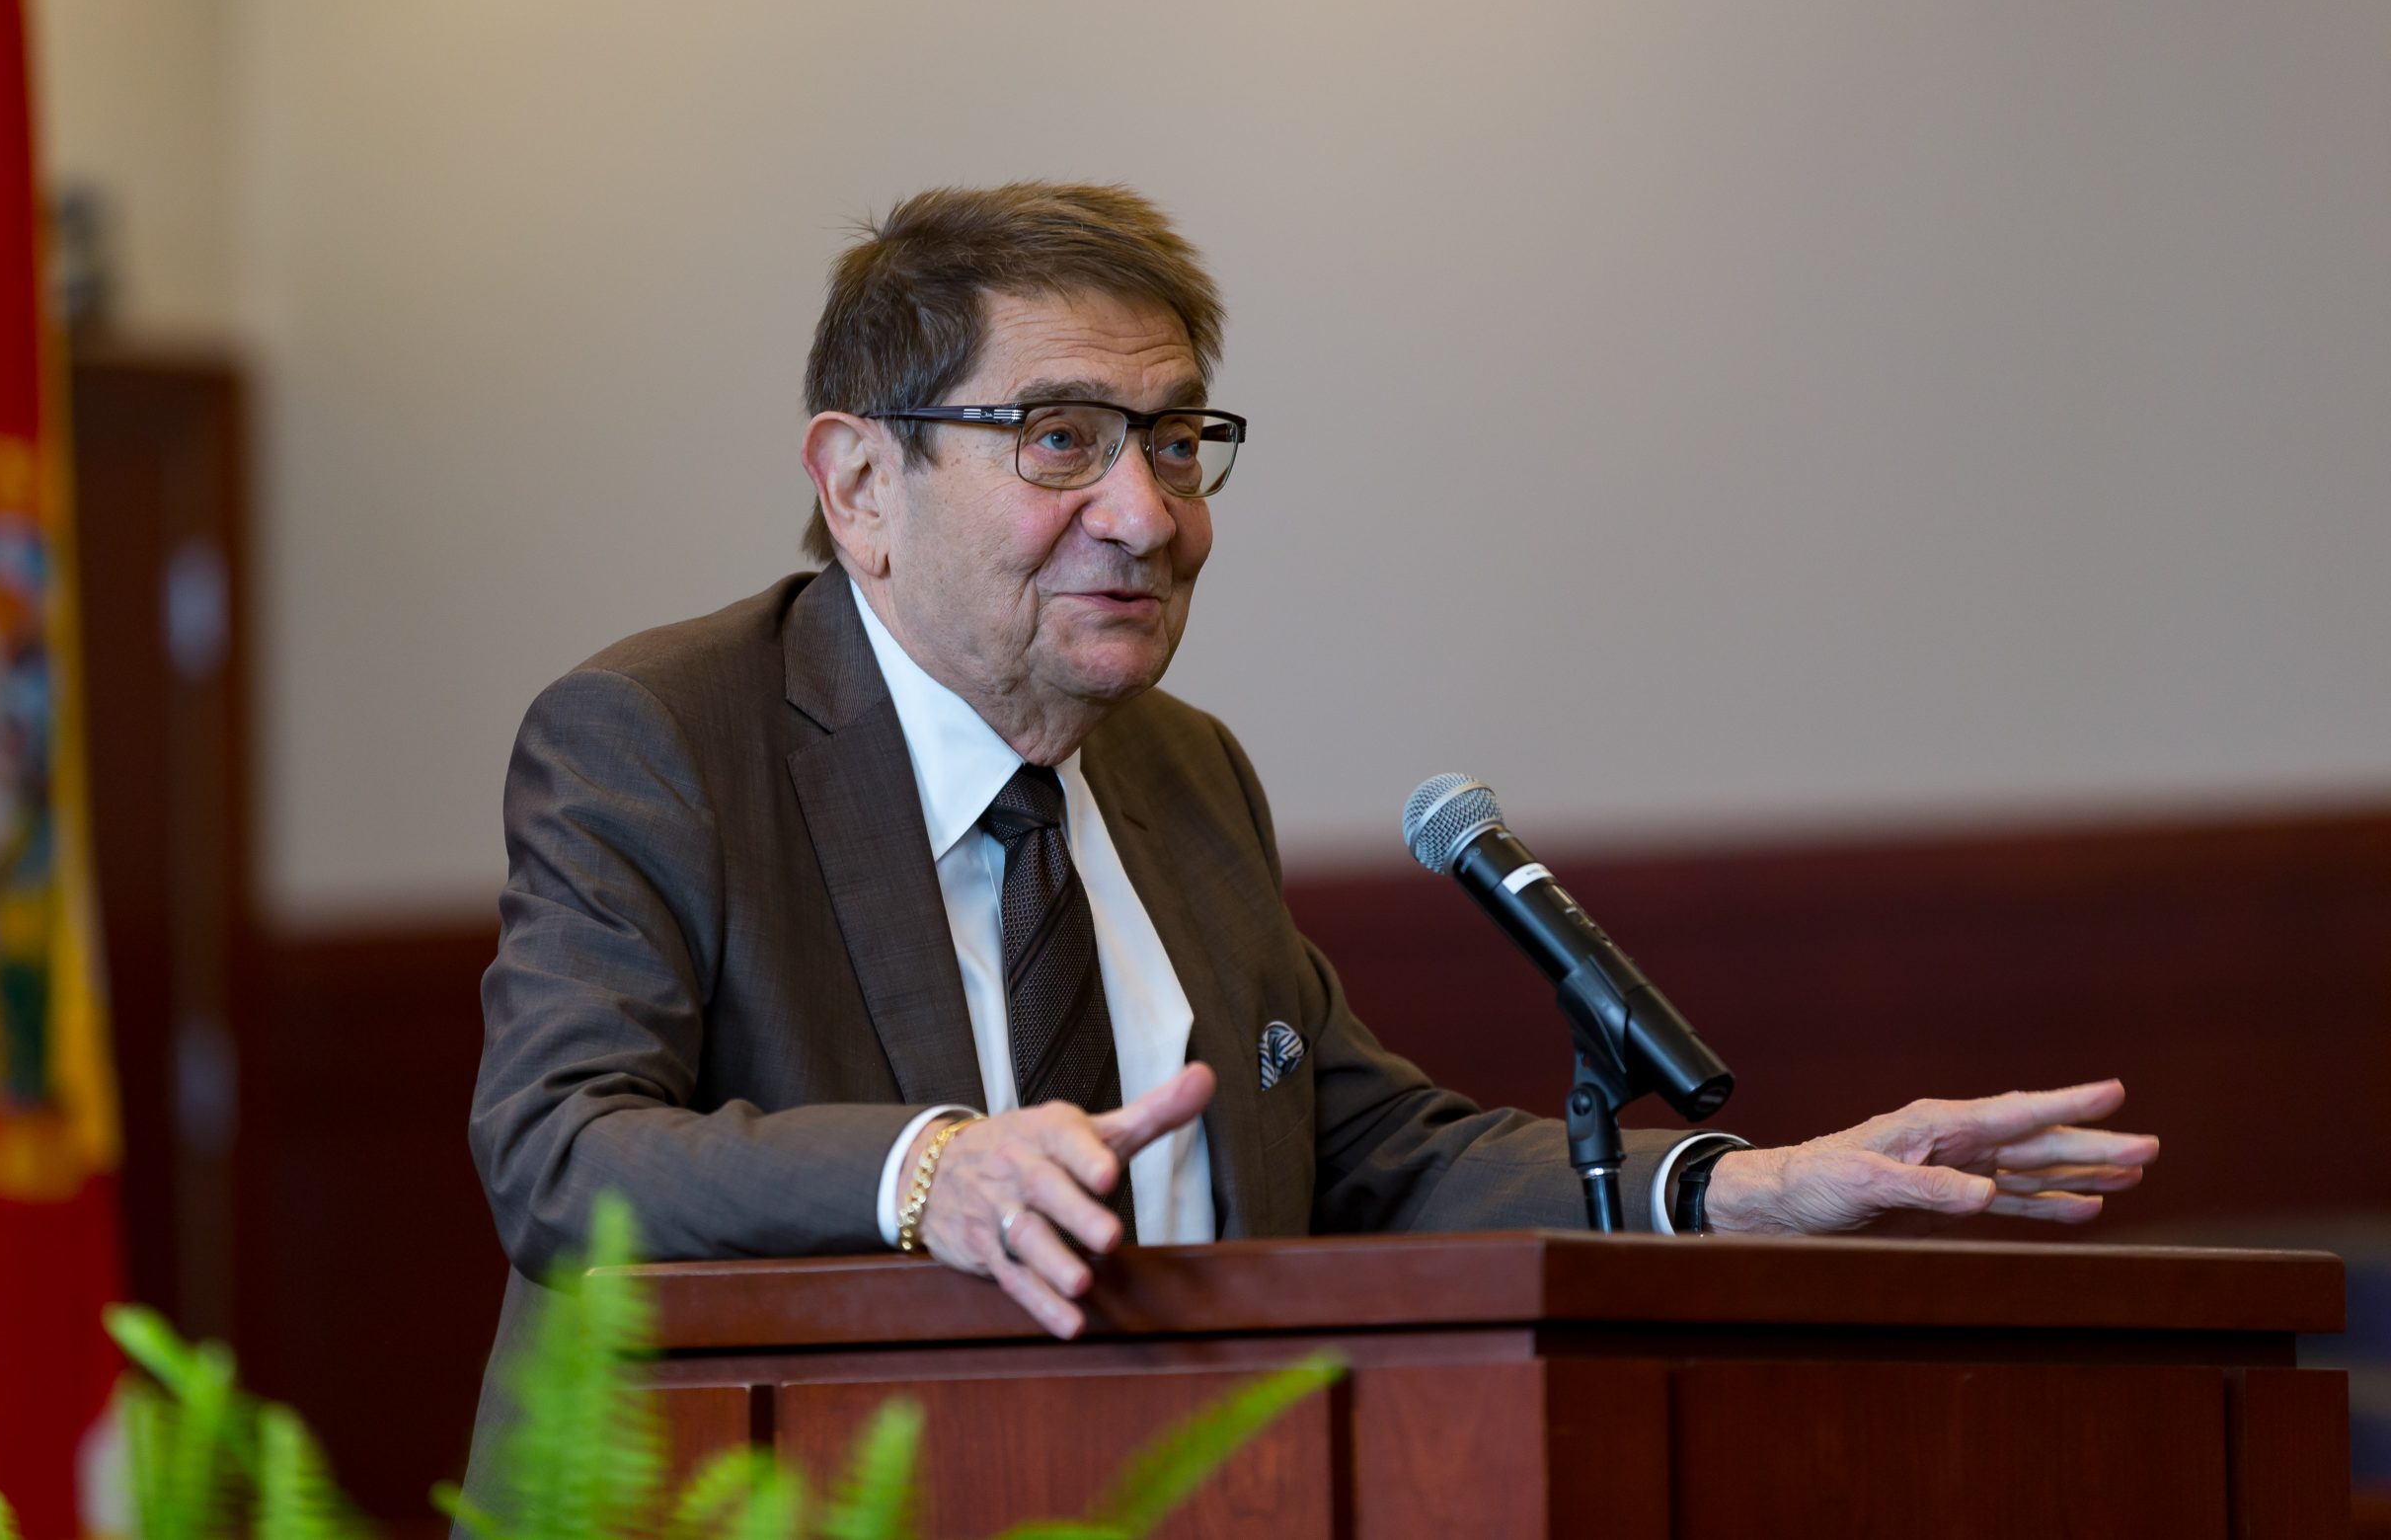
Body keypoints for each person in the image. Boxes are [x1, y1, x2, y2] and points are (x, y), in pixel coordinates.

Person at [464, 182, 2156, 1413]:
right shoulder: (661, 738)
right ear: (858, 483)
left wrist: (1740, 1188)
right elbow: (559, 1154)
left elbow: (1371, 1155)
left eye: (1179, 440)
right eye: (1060, 440)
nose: (1145, 512)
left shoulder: (1180, 771)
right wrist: (931, 1174)